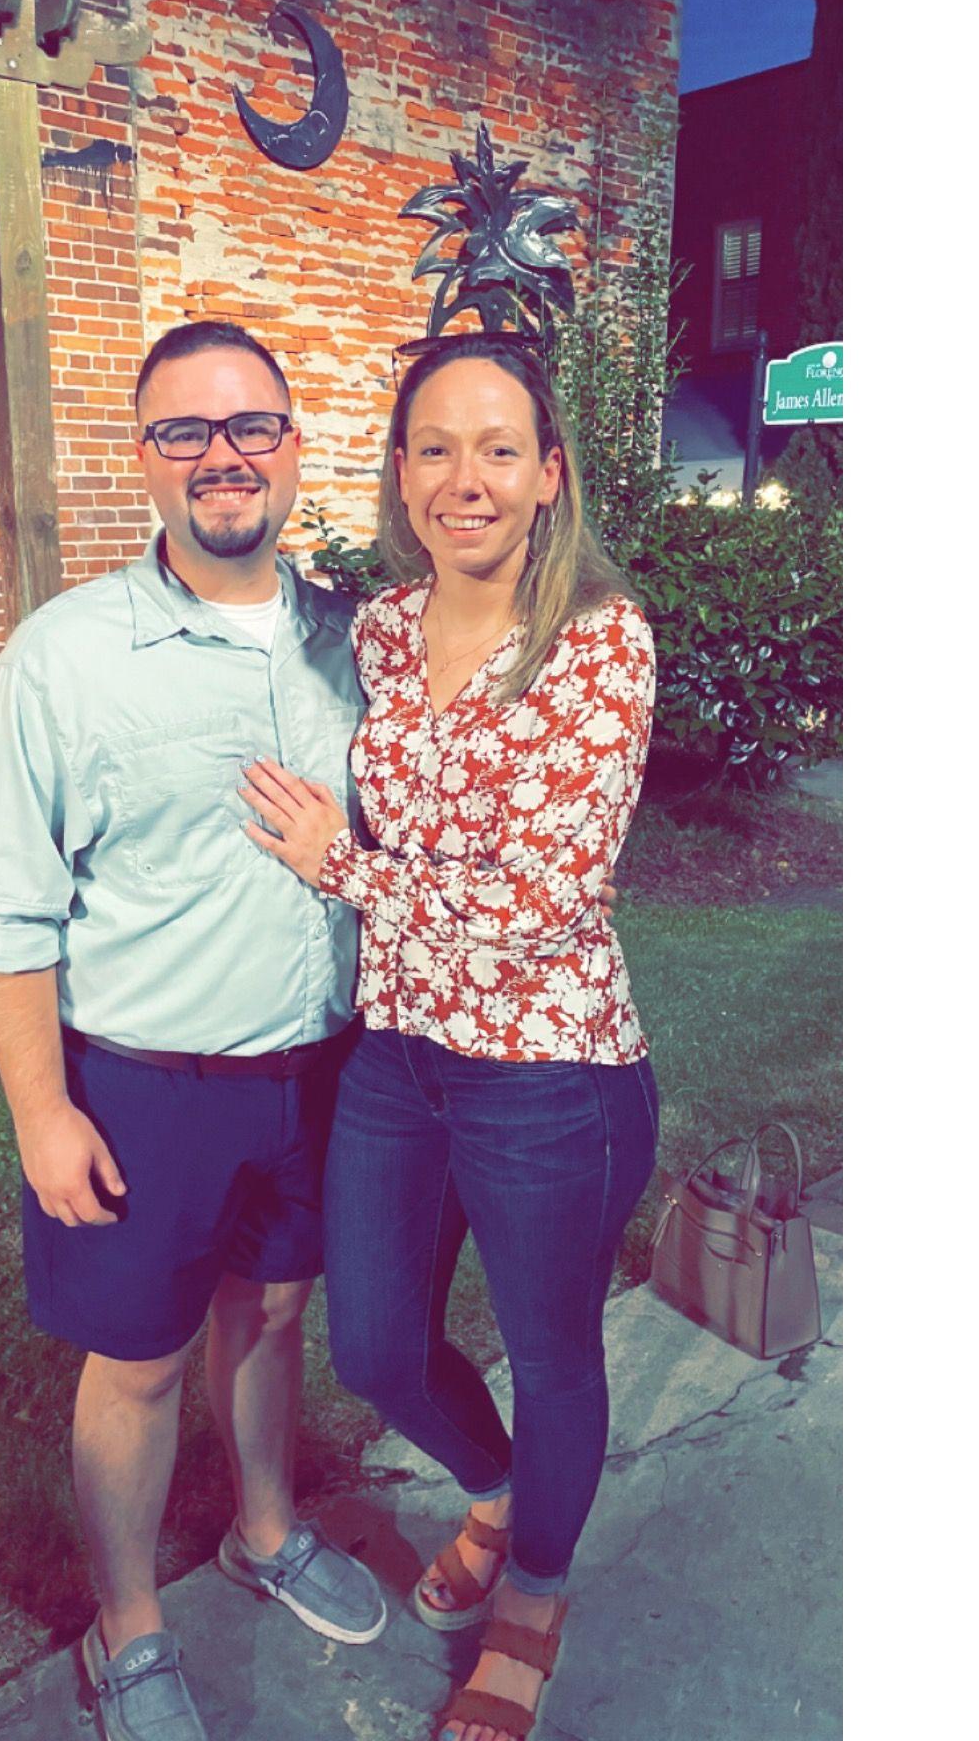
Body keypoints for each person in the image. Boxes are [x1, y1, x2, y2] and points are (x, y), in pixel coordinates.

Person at [0, 320, 388, 1741]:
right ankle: (126, 1630)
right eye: (184, 431)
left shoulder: (355, 643)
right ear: (145, 458)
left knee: (273, 1312)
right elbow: (4, 909)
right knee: (134, 1361)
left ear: (293, 446)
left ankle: (265, 1532)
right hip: (144, 1088)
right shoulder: (63, 660)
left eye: (250, 425)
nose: (221, 456)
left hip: (315, 1071)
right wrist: (40, 1113)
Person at [239, 332, 659, 1741]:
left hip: (549, 1067)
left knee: (551, 1356)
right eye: (434, 447)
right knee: (374, 1347)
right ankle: (495, 1493)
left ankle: (534, 1591)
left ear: (551, 474)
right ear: (401, 471)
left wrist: (343, 868)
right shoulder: (380, 629)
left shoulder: (598, 640)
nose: (463, 478)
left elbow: (546, 903)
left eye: (497, 448)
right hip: (401, 1052)